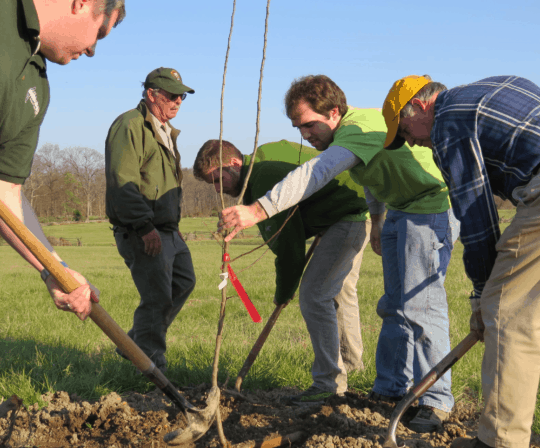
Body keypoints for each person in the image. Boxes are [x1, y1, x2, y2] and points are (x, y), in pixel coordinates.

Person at [382, 74, 540, 448]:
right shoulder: (498, 86)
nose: (413, 142)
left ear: (420, 106)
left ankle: (500, 439)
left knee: (509, 311)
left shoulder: (447, 119)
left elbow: (475, 213)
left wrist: (485, 296)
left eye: (405, 132)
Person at [218, 75, 459, 432]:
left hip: (429, 206)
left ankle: (436, 401)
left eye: (309, 125)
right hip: (400, 210)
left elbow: (318, 172)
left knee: (420, 307)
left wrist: (258, 210)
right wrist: (378, 221)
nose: (305, 135)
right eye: (298, 128)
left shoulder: (357, 129)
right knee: (394, 306)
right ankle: (391, 390)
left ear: (333, 112)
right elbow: (376, 177)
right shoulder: (357, 137)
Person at [194, 138, 371, 404]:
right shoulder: (257, 178)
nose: (219, 189)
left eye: (219, 180)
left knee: (314, 295)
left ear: (234, 163)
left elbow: (289, 245)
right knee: (339, 293)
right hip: (344, 214)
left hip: (349, 216)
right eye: (213, 185)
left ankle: (329, 382)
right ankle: (351, 368)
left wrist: (284, 291)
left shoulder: (263, 178)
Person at [0, 0, 126, 320]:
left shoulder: (37, 86)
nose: (93, 50)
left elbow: (6, 191)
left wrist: (55, 270)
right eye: (99, 33)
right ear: (81, 3)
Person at [105, 67, 196, 373]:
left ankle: (134, 345)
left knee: (184, 282)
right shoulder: (131, 125)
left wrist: (174, 226)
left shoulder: (164, 131)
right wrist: (145, 227)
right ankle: (150, 368)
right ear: (151, 94)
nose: (178, 101)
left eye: (181, 96)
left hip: (168, 229)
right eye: (171, 95)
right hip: (142, 229)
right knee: (157, 297)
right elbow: (123, 181)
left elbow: (163, 186)